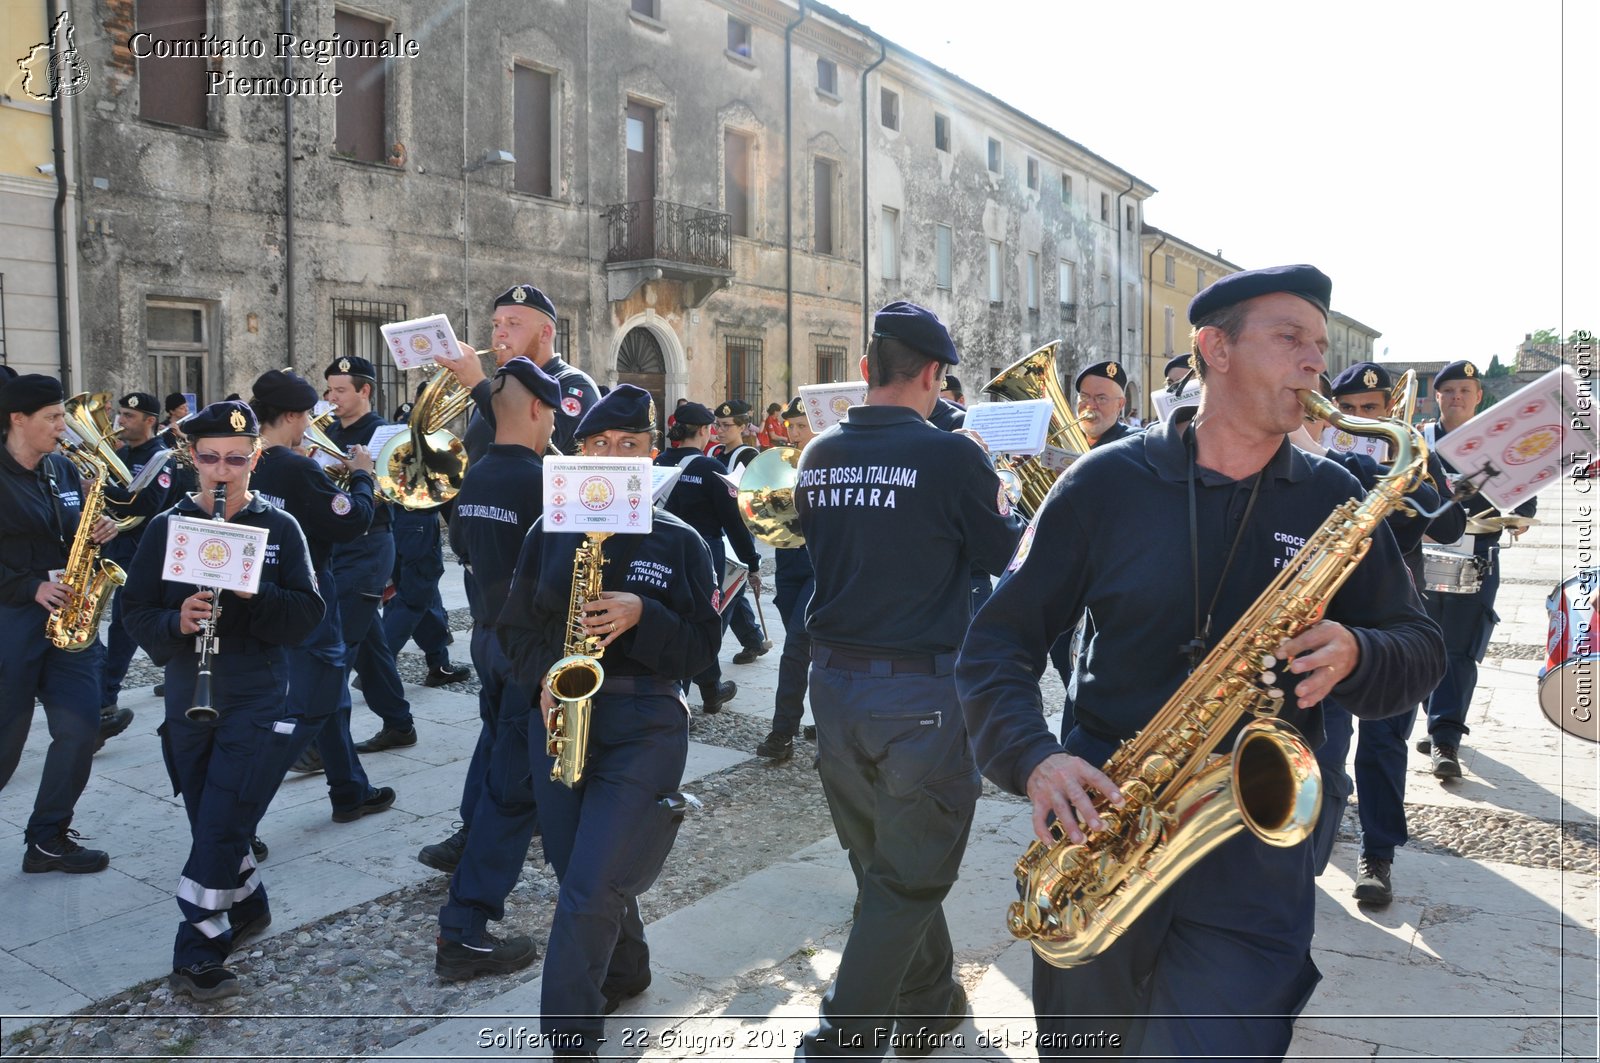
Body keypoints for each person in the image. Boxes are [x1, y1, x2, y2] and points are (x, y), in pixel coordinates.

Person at [957, 265, 1446, 1059]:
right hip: (1104, 825)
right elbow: (996, 644)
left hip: (1256, 853)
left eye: (1320, 346)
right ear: (1213, 348)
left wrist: (1363, 648)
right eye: (1291, 339)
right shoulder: (1101, 483)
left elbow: (1421, 648)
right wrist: (1035, 758)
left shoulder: (1335, 499)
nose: (1314, 362)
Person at [793, 301, 1024, 1059]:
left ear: (865, 369)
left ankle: (930, 1004)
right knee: (910, 875)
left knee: (883, 863)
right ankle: (840, 1038)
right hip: (919, 696)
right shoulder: (953, 456)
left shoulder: (819, 452)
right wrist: (1002, 482)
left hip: (833, 690)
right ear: (932, 374)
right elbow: (1007, 558)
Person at [497, 384, 722, 1058]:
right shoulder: (549, 529)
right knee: (579, 872)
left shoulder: (680, 539)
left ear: (650, 454)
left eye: (630, 446)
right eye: (601, 445)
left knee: (592, 883)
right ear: (581, 452)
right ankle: (628, 967)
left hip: (646, 719)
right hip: (562, 716)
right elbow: (511, 633)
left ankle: (570, 1039)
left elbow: (705, 651)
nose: (615, 456)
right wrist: (544, 674)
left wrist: (644, 615)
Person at [121, 400, 324, 1001]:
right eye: (209, 458)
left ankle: (198, 948)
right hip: (191, 687)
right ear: (192, 460)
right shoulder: (168, 527)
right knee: (210, 813)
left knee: (223, 812)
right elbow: (133, 611)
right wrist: (177, 621)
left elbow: (308, 614)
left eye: (236, 459)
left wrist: (253, 593)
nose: (223, 471)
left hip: (257, 689)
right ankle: (250, 901)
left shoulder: (280, 528)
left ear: (254, 459)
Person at [1298, 363, 1464, 907]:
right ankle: (1306, 853)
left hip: (1392, 618)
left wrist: (1414, 477)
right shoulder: (1312, 461)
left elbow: (1449, 527)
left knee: (1386, 743)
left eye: (1372, 410)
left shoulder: (1410, 451)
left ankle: (1379, 853)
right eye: (1352, 411)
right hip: (1328, 617)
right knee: (1326, 743)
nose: (1362, 421)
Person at [431, 357, 561, 970]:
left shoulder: (476, 473)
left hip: (486, 639)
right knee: (515, 791)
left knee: (501, 772)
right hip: (527, 651)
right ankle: (463, 927)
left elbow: (460, 544)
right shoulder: (545, 482)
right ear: (539, 409)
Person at [247, 370, 396, 824]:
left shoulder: (252, 461)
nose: (311, 422)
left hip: (269, 592)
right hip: (313, 593)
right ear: (290, 415)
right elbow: (351, 520)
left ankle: (349, 789)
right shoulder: (297, 467)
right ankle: (239, 815)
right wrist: (362, 476)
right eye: (308, 414)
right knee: (311, 707)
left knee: (330, 697)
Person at [0, 374, 119, 873]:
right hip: (14, 621)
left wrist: (99, 532)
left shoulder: (63, 471)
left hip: (69, 621)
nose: (62, 427)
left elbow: (72, 540)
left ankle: (47, 838)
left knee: (81, 727)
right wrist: (30, 586)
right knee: (6, 742)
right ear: (17, 419)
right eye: (52, 418)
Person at [1415, 359, 1536, 779]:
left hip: (1478, 557)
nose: (1456, 398)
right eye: (1448, 390)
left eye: (1465, 390)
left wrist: (1518, 517)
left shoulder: (1497, 445)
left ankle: (1446, 737)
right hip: (1423, 559)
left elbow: (1524, 503)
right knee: (1424, 644)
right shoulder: (1419, 441)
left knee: (1461, 650)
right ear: (1437, 396)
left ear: (1478, 396)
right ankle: (1436, 714)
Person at [323, 356, 416, 753]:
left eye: (341, 390)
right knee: (371, 646)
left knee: (340, 643)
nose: (332, 398)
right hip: (334, 543)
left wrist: (357, 472)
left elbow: (399, 490)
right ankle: (399, 723)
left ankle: (313, 736)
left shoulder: (384, 434)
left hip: (369, 543)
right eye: (329, 390)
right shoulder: (324, 430)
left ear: (365, 391)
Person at [654, 400, 760, 714]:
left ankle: (711, 689)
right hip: (703, 555)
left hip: (662, 553)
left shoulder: (659, 461)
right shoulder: (709, 467)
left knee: (675, 622)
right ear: (703, 431)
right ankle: (680, 702)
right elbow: (734, 521)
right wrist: (752, 562)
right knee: (700, 625)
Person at [98, 391, 179, 743]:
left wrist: (101, 489)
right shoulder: (120, 452)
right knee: (123, 622)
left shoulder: (161, 457)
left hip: (147, 548)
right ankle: (174, 662)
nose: (121, 421)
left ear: (149, 420)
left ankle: (105, 700)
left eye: (129, 416)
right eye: (120, 414)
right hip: (116, 545)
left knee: (123, 623)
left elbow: (147, 502)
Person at [443, 285, 599, 461]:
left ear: (544, 333)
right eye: (496, 325)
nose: (499, 333)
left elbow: (538, 446)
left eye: (513, 323)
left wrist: (478, 384)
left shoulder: (575, 385)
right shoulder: (499, 386)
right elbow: (478, 450)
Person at [755, 396, 816, 762]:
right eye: (791, 426)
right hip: (788, 561)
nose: (792, 433)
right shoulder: (782, 465)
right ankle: (826, 720)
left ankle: (783, 732)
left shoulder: (831, 462)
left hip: (819, 566)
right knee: (812, 649)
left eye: (801, 426)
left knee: (795, 645)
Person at [711, 400, 772, 664]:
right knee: (731, 587)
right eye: (717, 425)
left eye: (726, 425)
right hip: (718, 526)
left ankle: (714, 651)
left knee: (729, 586)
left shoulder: (747, 455)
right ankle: (753, 640)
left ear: (743, 427)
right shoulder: (714, 453)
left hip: (736, 526)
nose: (720, 430)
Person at [1075, 360, 1134, 448]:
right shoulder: (1063, 436)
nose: (1090, 406)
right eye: (1084, 397)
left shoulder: (1133, 442)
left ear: (1120, 404)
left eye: (1101, 398)